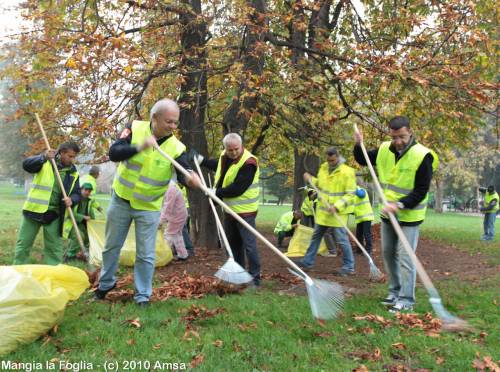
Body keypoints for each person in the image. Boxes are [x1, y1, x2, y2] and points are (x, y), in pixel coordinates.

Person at [94, 98, 200, 306]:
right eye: (168, 121)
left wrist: (190, 178)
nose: (172, 126)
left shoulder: (177, 147)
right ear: (154, 118)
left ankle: (142, 295)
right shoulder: (134, 128)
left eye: (175, 122)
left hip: (149, 208)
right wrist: (140, 146)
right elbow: (114, 153)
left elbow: (183, 173)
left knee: (146, 254)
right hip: (121, 200)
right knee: (111, 247)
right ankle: (106, 284)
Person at [354, 116, 438, 313]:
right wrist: (358, 145)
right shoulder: (385, 149)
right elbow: (362, 159)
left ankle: (407, 300)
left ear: (410, 132)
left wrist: (398, 205)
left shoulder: (422, 155)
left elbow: (421, 191)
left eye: (401, 136)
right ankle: (394, 292)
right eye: (394, 137)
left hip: (409, 216)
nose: (398, 141)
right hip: (388, 215)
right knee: (388, 253)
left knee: (405, 257)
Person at [197, 133, 261, 286]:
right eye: (229, 150)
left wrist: (216, 192)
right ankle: (239, 275)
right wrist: (203, 161)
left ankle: (255, 278)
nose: (233, 153)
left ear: (241, 146)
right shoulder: (225, 156)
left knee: (249, 245)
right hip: (229, 210)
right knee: (233, 245)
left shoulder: (249, 163)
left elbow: (238, 188)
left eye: (236, 149)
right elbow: (220, 166)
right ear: (225, 148)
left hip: (245, 212)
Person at [13, 141, 81, 265]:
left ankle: (53, 274)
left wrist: (72, 199)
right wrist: (42, 157)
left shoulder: (73, 173)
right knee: (24, 244)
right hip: (33, 210)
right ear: (62, 153)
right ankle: (18, 271)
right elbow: (26, 165)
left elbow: (77, 193)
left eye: (74, 157)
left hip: (54, 214)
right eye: (70, 156)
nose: (72, 159)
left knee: (54, 249)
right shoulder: (45, 161)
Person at [297, 147, 356, 276]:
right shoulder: (324, 168)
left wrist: (337, 206)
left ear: (338, 156)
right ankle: (307, 262)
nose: (330, 162)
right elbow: (321, 185)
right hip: (323, 213)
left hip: (337, 214)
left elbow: (351, 195)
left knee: (342, 240)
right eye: (328, 160)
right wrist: (310, 179)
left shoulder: (347, 172)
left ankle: (349, 266)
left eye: (332, 160)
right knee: (316, 237)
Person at [64, 182, 96, 261]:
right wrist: (83, 217)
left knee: (89, 236)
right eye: (86, 190)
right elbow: (69, 214)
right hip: (70, 224)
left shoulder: (89, 201)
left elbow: (91, 214)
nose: (87, 192)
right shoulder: (75, 199)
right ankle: (69, 256)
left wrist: (94, 221)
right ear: (81, 190)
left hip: (81, 224)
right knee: (79, 236)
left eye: (89, 191)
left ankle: (82, 254)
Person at [160, 181, 189, 260]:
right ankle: (183, 255)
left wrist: (160, 221)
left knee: (168, 234)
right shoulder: (170, 186)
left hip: (177, 215)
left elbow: (167, 207)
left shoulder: (171, 189)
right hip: (179, 214)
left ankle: (163, 256)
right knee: (177, 235)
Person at [353, 186, 375, 255]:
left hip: (367, 217)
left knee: (366, 234)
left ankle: (369, 250)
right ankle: (359, 250)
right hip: (360, 218)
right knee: (358, 235)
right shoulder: (353, 196)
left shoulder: (361, 190)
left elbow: (361, 195)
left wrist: (353, 189)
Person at [177, 182, 195, 256]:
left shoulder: (180, 188)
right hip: (183, 209)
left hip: (184, 209)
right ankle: (184, 249)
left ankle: (188, 248)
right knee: (184, 229)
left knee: (183, 229)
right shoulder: (179, 187)